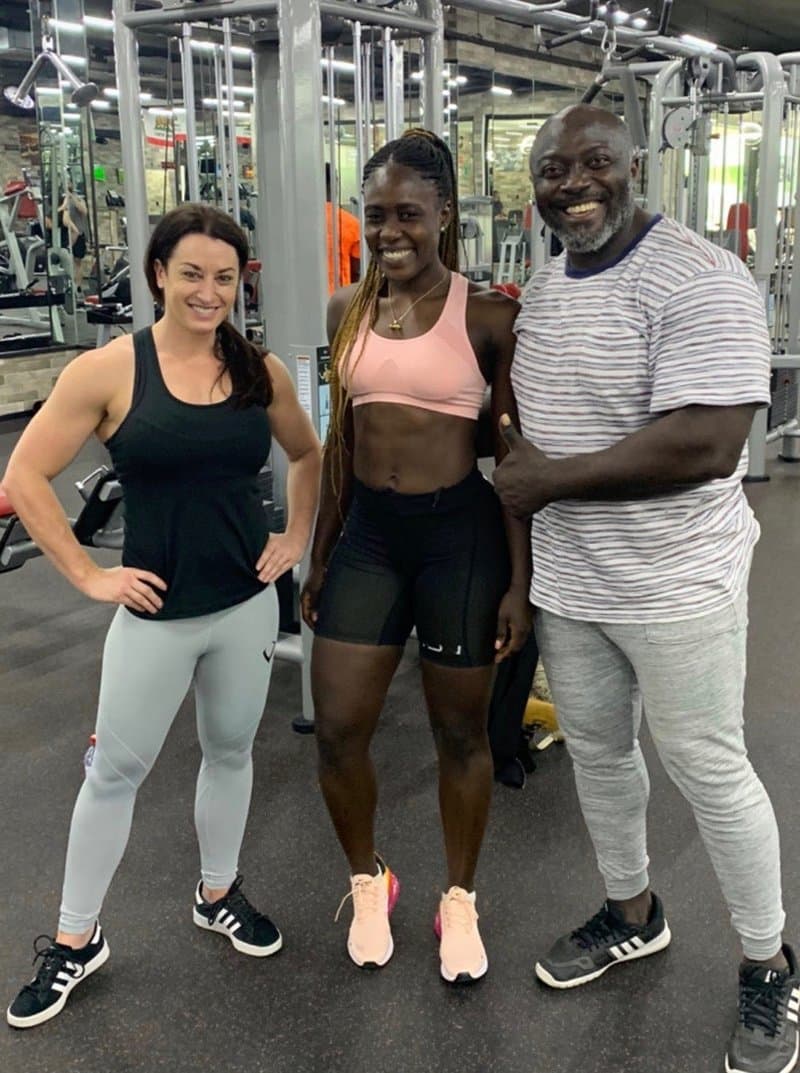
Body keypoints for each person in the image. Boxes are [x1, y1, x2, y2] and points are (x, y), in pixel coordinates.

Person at [494, 104, 797, 1073]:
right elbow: (525, 442)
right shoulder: (544, 288)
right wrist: (525, 568)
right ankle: (632, 910)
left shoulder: (699, 277)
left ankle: (767, 959)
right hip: (573, 582)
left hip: (676, 582)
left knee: (706, 765)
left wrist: (551, 483)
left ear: (636, 168)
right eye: (551, 167)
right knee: (595, 753)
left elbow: (708, 442)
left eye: (593, 163)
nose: (570, 180)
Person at [3, 203, 321, 1029]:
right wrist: (86, 576)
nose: (208, 292)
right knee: (113, 774)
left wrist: (295, 534)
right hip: (154, 615)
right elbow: (28, 475)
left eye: (224, 277)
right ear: (158, 275)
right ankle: (76, 939)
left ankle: (217, 891)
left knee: (231, 753)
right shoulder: (108, 370)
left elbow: (310, 452)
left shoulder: (259, 371)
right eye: (191, 274)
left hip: (247, 606)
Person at [300, 129, 532, 985]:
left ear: (443, 214)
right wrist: (320, 556)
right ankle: (370, 880)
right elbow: (341, 441)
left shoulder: (489, 316)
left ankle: (459, 899)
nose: (390, 230)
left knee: (459, 732)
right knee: (337, 730)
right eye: (376, 215)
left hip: (458, 537)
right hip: (369, 537)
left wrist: (520, 582)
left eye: (407, 213)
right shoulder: (344, 312)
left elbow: (510, 460)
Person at [325, 163, 361, 294]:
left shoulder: (300, 223)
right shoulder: (351, 223)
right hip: (340, 298)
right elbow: (356, 271)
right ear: (335, 185)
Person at [58, 182, 89, 291]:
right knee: (66, 259)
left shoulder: (79, 199)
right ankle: (67, 285)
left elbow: (84, 211)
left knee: (78, 261)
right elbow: (62, 214)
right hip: (67, 234)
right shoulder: (62, 200)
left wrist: (72, 197)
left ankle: (78, 286)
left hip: (79, 233)